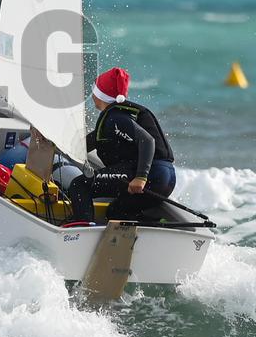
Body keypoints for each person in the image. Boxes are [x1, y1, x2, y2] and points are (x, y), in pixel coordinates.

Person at [67, 67, 176, 222]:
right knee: (116, 212)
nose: (91, 95)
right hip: (166, 178)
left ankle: (81, 228)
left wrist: (140, 177)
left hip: (151, 176)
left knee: (80, 185)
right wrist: (54, 141)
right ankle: (155, 225)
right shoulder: (119, 116)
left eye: (94, 91)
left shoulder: (116, 118)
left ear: (100, 96)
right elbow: (85, 145)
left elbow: (147, 141)